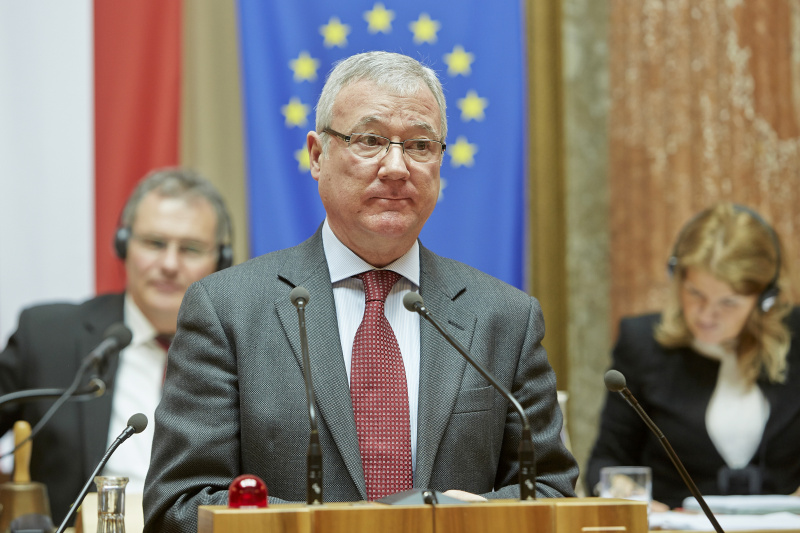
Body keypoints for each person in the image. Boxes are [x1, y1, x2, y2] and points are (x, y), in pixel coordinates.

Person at [143, 51, 578, 532]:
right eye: (369, 140)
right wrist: (350, 527)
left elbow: (551, 491)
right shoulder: (229, 311)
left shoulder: (505, 317)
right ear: (316, 155)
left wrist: (465, 521)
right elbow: (178, 505)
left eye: (419, 146)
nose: (397, 167)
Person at [0, 167, 233, 525]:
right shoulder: (49, 336)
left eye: (190, 249)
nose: (169, 264)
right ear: (123, 245)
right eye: (155, 244)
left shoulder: (248, 352)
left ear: (222, 261)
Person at [586, 203, 800, 509]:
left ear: (765, 300)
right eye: (695, 293)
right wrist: (624, 493)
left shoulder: (798, 339)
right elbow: (606, 461)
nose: (707, 315)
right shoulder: (642, 343)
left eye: (728, 302)